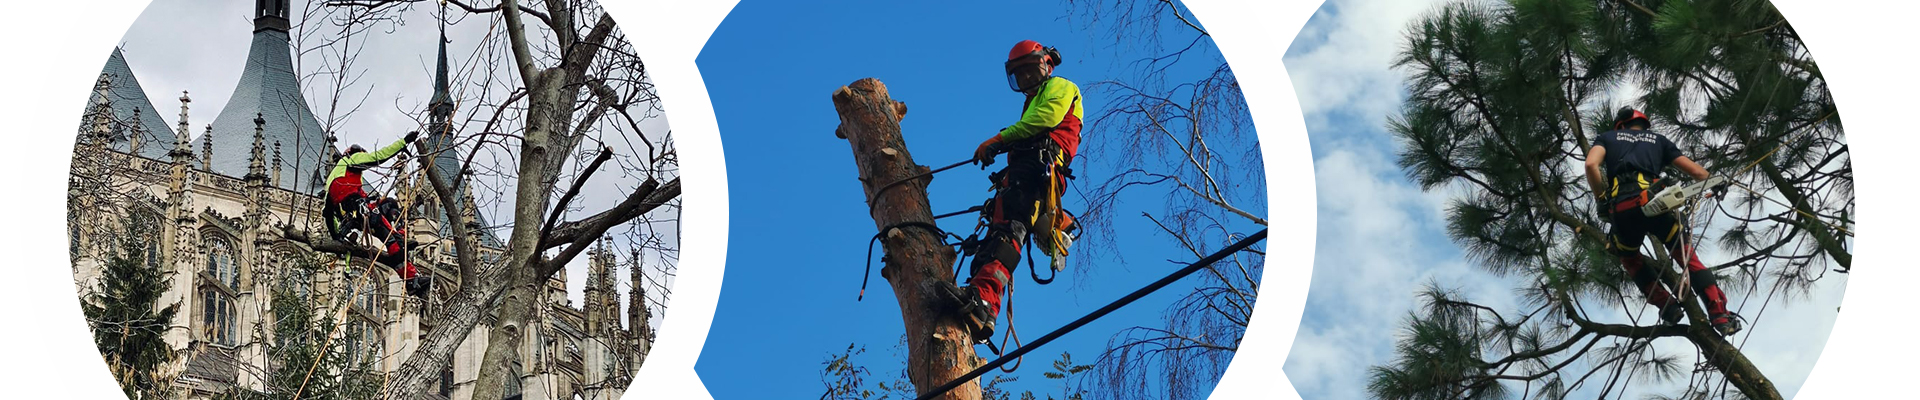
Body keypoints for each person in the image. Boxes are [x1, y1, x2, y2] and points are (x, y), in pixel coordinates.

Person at [953, 40, 1085, 342]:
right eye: (1019, 74)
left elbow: (1045, 120)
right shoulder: (1032, 100)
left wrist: (999, 140)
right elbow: (1029, 133)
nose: (1025, 79)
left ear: (1047, 64)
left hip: (1042, 169)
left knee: (1009, 231)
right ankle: (978, 297)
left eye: (1030, 70)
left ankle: (984, 302)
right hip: (1027, 170)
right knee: (997, 233)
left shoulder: (1061, 86)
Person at [1585, 107, 1738, 336]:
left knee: (1630, 259)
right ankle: (1719, 315)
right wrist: (1715, 181)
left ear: (1620, 125)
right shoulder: (1659, 141)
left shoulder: (1607, 137)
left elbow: (1590, 165)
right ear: (1645, 125)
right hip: (1657, 203)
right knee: (1687, 258)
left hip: (1624, 209)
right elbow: (1695, 172)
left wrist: (1602, 200)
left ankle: (1668, 308)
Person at [324, 131, 430, 299]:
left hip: (353, 218)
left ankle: (410, 274)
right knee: (390, 235)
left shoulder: (334, 179)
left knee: (389, 205)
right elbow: (379, 156)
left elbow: (327, 213)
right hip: (361, 213)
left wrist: (336, 237)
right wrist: (403, 142)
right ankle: (409, 272)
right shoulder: (352, 160)